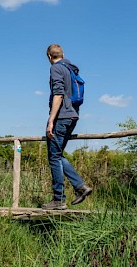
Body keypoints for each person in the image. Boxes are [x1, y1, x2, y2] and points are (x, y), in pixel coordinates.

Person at [42, 44, 92, 210]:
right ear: (63, 54)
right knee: (57, 154)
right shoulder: (71, 69)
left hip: (62, 117)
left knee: (53, 157)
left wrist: (51, 120)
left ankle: (59, 199)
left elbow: (58, 94)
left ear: (49, 56)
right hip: (73, 116)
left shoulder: (56, 69)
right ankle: (80, 187)